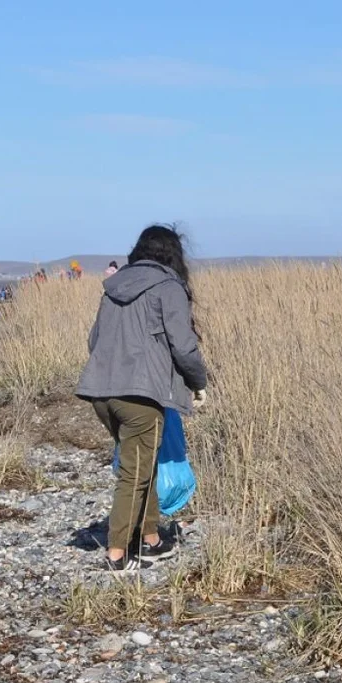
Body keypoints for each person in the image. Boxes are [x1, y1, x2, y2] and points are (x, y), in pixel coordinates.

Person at [75, 225, 208, 574]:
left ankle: (151, 539)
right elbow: (184, 345)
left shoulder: (113, 288)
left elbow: (95, 341)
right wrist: (198, 382)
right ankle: (118, 553)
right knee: (134, 474)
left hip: (101, 392)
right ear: (173, 254)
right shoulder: (169, 288)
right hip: (140, 395)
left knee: (140, 463)